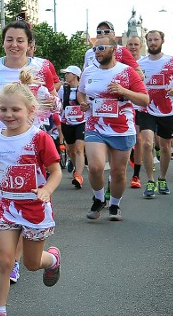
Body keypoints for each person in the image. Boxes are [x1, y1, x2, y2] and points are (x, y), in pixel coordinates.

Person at [0, 19, 58, 284]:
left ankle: (17, 259)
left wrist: (53, 102)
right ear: (3, 42)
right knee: (4, 194)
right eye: (10, 40)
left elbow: (53, 99)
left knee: (27, 196)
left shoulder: (42, 67)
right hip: (0, 140)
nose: (14, 45)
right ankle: (11, 257)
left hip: (32, 144)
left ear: (30, 45)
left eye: (20, 40)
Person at [0, 82, 63, 316]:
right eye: (3, 109)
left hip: (35, 209)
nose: (8, 114)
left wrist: (46, 190)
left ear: (30, 110)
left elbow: (55, 171)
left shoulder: (39, 138)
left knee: (30, 264)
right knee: (5, 261)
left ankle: (51, 260)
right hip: (7, 207)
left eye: (15, 109)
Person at [77, 37, 149, 221]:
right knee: (95, 166)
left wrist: (124, 91)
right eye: (94, 49)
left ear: (114, 49)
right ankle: (99, 199)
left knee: (118, 172)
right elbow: (81, 91)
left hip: (121, 128)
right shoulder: (89, 71)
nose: (97, 52)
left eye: (101, 47)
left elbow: (144, 99)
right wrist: (83, 103)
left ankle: (115, 205)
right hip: (95, 125)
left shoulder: (127, 72)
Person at [137, 30, 173, 198]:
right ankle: (150, 181)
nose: (153, 42)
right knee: (146, 144)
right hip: (146, 108)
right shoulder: (140, 63)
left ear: (162, 41)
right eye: (150, 40)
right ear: (146, 42)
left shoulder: (172, 61)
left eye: (156, 39)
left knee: (166, 147)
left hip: (167, 110)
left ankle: (162, 178)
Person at [59, 65, 86, 188]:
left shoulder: (84, 88)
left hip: (82, 121)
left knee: (80, 148)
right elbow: (57, 103)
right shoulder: (62, 89)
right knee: (71, 151)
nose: (66, 75)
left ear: (75, 75)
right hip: (67, 122)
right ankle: (76, 168)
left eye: (68, 73)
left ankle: (78, 176)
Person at [125, 35, 145, 188]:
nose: (133, 47)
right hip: (124, 106)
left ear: (140, 45)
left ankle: (136, 175)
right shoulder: (118, 62)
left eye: (136, 44)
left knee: (139, 139)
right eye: (130, 44)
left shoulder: (144, 62)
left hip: (139, 106)